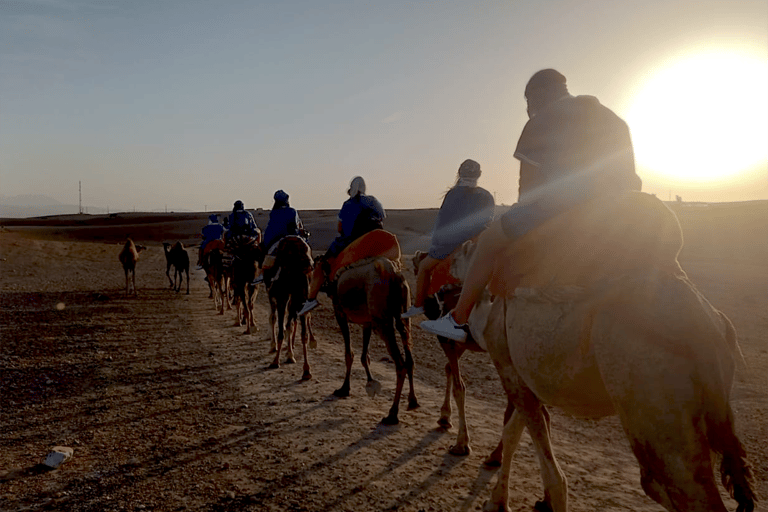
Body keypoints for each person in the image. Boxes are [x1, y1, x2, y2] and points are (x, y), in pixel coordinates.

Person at [420, 69, 642, 341]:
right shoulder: (613, 118)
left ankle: (458, 318)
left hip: (566, 208)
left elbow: (529, 192)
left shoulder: (543, 120)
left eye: (527, 101)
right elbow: (631, 177)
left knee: (489, 241)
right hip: (623, 209)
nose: (528, 108)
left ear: (536, 95)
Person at [401, 159, 495, 318]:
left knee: (424, 266)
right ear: (479, 175)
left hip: (451, 246)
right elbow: (488, 222)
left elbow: (443, 224)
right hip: (478, 244)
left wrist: (436, 246)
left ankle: (418, 305)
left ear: (459, 173)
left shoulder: (453, 194)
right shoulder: (486, 195)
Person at [298, 176, 385, 315]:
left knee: (321, 264)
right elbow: (382, 219)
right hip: (375, 241)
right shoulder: (374, 201)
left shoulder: (348, 204)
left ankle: (311, 299)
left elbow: (340, 228)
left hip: (351, 241)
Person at [253, 190, 305, 284]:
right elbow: (298, 225)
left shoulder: (274, 213)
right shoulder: (292, 211)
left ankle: (261, 273)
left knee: (263, 251)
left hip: (275, 238)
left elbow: (272, 229)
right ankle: (311, 274)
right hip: (293, 236)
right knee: (305, 250)